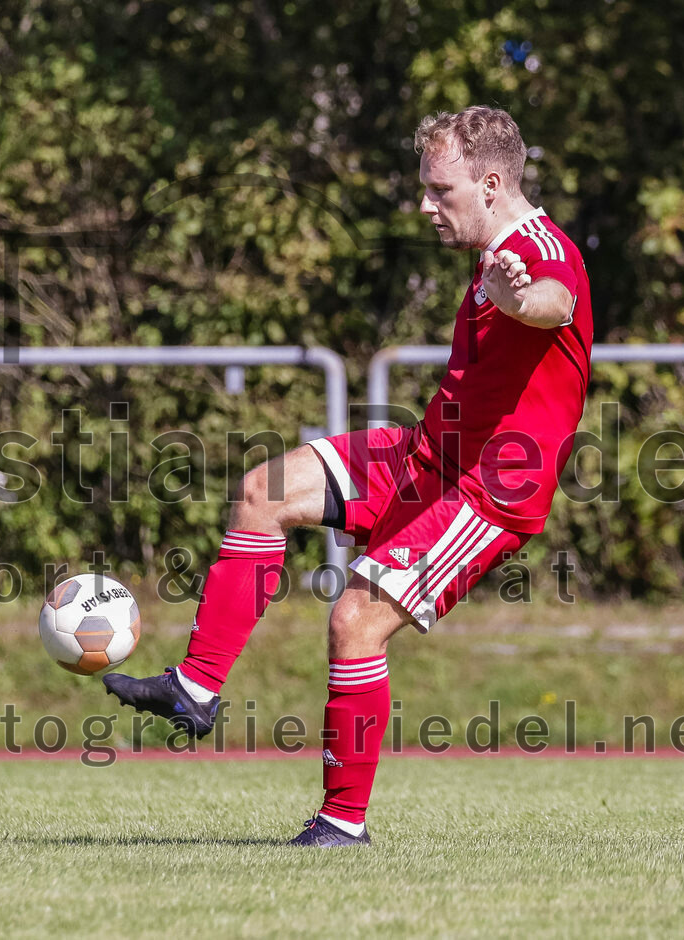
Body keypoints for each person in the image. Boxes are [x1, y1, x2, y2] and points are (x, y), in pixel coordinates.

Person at [103, 105, 593, 847]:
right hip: (428, 458)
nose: (425, 204)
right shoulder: (497, 251)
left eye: (440, 189)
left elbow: (551, 303)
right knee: (264, 492)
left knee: (354, 620)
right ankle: (195, 689)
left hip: (489, 493)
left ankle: (341, 824)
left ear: (492, 183)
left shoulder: (541, 253)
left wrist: (518, 297)